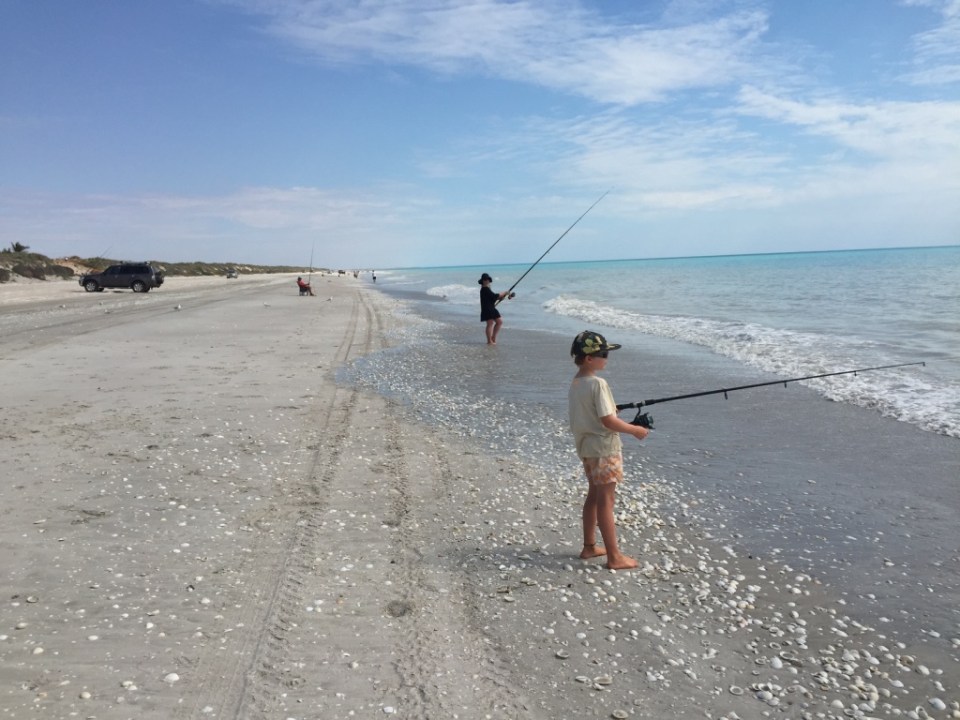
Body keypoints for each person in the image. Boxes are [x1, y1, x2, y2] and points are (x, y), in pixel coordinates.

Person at [568, 330, 649, 570]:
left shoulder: (577, 382)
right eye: (603, 354)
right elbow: (607, 421)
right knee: (606, 499)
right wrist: (635, 430)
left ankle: (590, 546)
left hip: (586, 448)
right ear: (589, 358)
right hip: (604, 447)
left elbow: (593, 414)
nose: (607, 358)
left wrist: (613, 414)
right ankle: (614, 557)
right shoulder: (599, 384)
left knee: (594, 494)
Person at [478, 272, 514, 344]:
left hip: (491, 308)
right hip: (487, 309)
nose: (486, 281)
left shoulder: (487, 289)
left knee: (499, 322)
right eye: (485, 279)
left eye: (487, 279)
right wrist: (504, 293)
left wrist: (502, 296)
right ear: (482, 281)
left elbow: (493, 298)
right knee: (490, 323)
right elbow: (495, 296)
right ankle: (489, 341)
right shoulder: (484, 289)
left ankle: (493, 337)